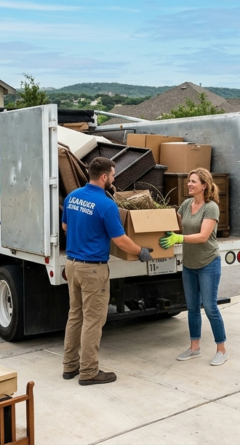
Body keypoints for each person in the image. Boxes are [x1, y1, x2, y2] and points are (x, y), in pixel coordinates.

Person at [62, 157, 153, 386]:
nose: (113, 179)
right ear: (104, 177)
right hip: (93, 269)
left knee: (75, 316)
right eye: (112, 175)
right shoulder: (106, 204)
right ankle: (88, 371)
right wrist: (140, 251)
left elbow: (65, 226)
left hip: (72, 265)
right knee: (93, 320)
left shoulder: (72, 197)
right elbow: (120, 240)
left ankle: (70, 366)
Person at [160, 168, 228, 366]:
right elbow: (176, 226)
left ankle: (221, 350)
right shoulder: (186, 204)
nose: (189, 184)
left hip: (208, 263)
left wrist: (178, 238)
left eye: (193, 181)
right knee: (192, 308)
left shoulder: (211, 207)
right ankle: (194, 348)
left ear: (204, 185)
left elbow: (203, 236)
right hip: (189, 264)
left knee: (210, 307)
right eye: (189, 181)